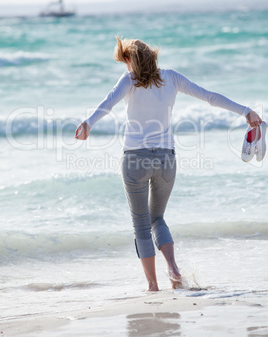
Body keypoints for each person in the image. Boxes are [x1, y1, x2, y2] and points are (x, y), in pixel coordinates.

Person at [75, 36, 262, 292]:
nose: (125, 68)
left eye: (125, 62)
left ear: (130, 61)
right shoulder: (172, 78)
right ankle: (173, 268)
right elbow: (209, 96)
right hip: (166, 159)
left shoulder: (129, 80)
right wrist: (246, 111)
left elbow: (107, 104)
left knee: (141, 223)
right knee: (157, 218)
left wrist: (87, 124)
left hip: (134, 160)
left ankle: (153, 285)